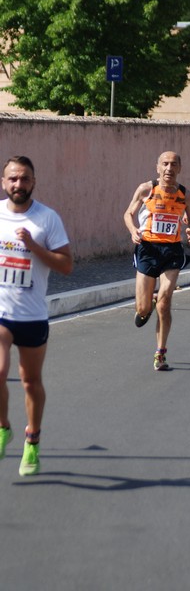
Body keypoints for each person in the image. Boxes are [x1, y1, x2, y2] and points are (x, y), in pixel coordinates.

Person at [0, 156, 73, 476]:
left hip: (31, 315)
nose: (19, 184)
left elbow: (66, 265)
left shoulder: (47, 219)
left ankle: (32, 440)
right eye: (13, 179)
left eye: (25, 179)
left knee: (30, 382)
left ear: (34, 182)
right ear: (4, 183)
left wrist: (33, 246)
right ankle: (3, 427)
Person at [123, 151, 190, 371]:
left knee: (165, 302)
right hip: (147, 248)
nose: (169, 168)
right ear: (157, 167)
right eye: (165, 164)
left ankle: (160, 353)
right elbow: (128, 213)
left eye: (173, 164)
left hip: (172, 250)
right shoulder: (146, 189)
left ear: (179, 168)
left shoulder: (184, 194)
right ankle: (148, 305)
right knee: (143, 309)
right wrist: (133, 230)